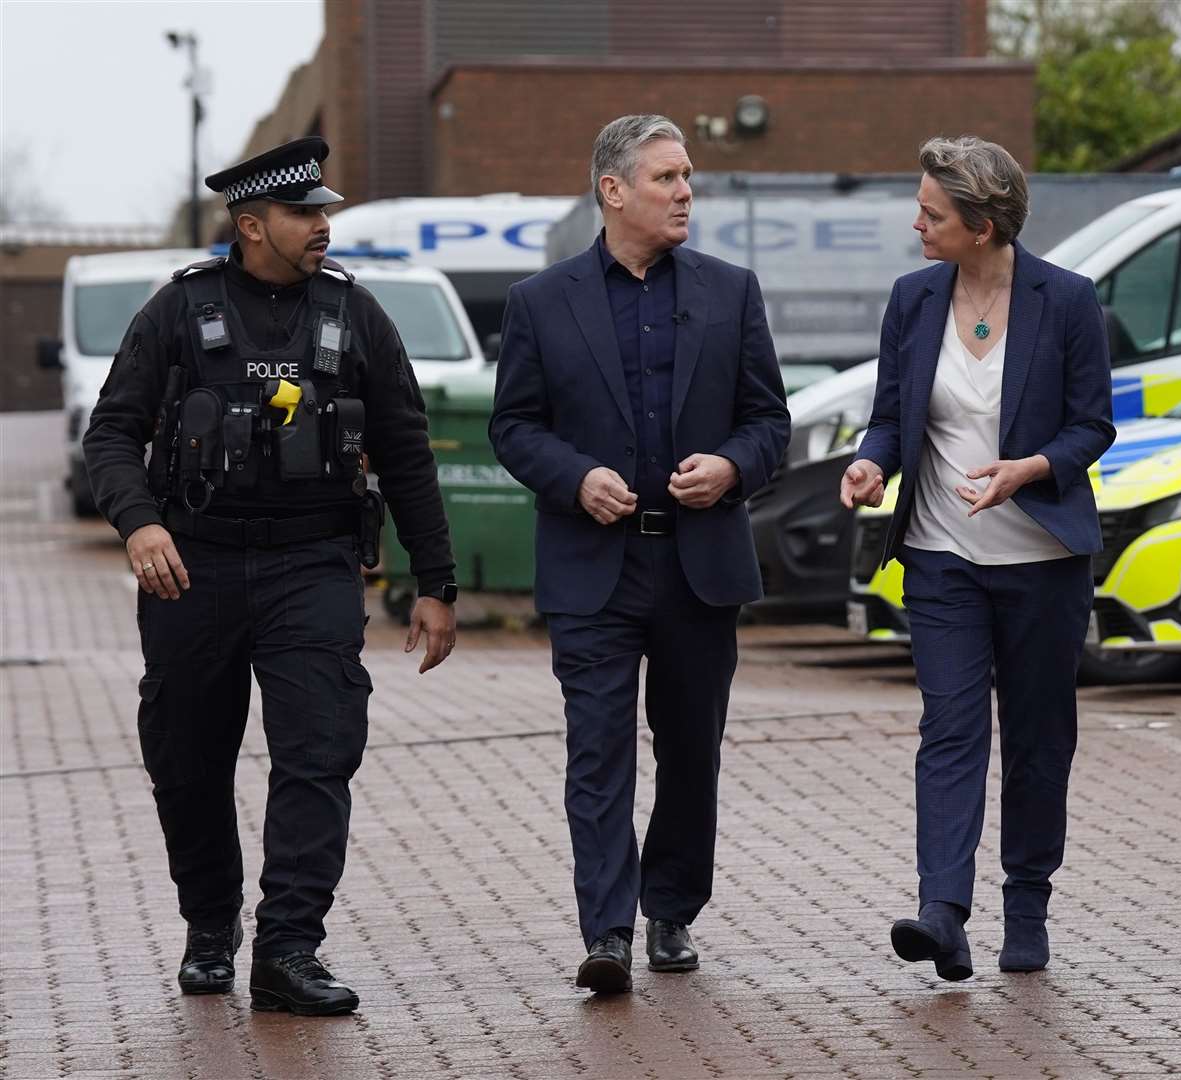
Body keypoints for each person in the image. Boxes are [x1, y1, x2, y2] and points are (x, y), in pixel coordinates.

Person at [82, 136, 459, 1016]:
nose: (323, 225)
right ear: (251, 225)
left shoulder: (356, 317)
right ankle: (210, 929)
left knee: (319, 756)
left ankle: (288, 950)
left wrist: (436, 583)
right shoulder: (178, 314)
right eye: (304, 213)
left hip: (313, 565)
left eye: (324, 211)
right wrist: (139, 524)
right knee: (187, 763)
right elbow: (110, 437)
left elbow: (406, 454)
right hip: (193, 570)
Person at [489, 115, 790, 995]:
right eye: (666, 177)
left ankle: (670, 910)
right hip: (593, 567)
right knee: (598, 752)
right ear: (613, 191)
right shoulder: (540, 302)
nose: (686, 191)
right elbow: (514, 427)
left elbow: (769, 420)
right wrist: (576, 477)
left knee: (691, 750)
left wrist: (734, 465)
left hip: (700, 567)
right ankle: (608, 930)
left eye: (688, 175)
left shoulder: (732, 292)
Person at [840, 136, 1116, 979]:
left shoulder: (1067, 301)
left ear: (984, 226)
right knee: (950, 730)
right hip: (939, 556)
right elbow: (893, 413)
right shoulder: (913, 299)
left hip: (1041, 559)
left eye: (932, 212)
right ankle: (943, 912)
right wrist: (870, 461)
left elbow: (1092, 426)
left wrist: (1030, 469)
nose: (915, 222)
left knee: (1038, 738)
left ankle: (1025, 907)